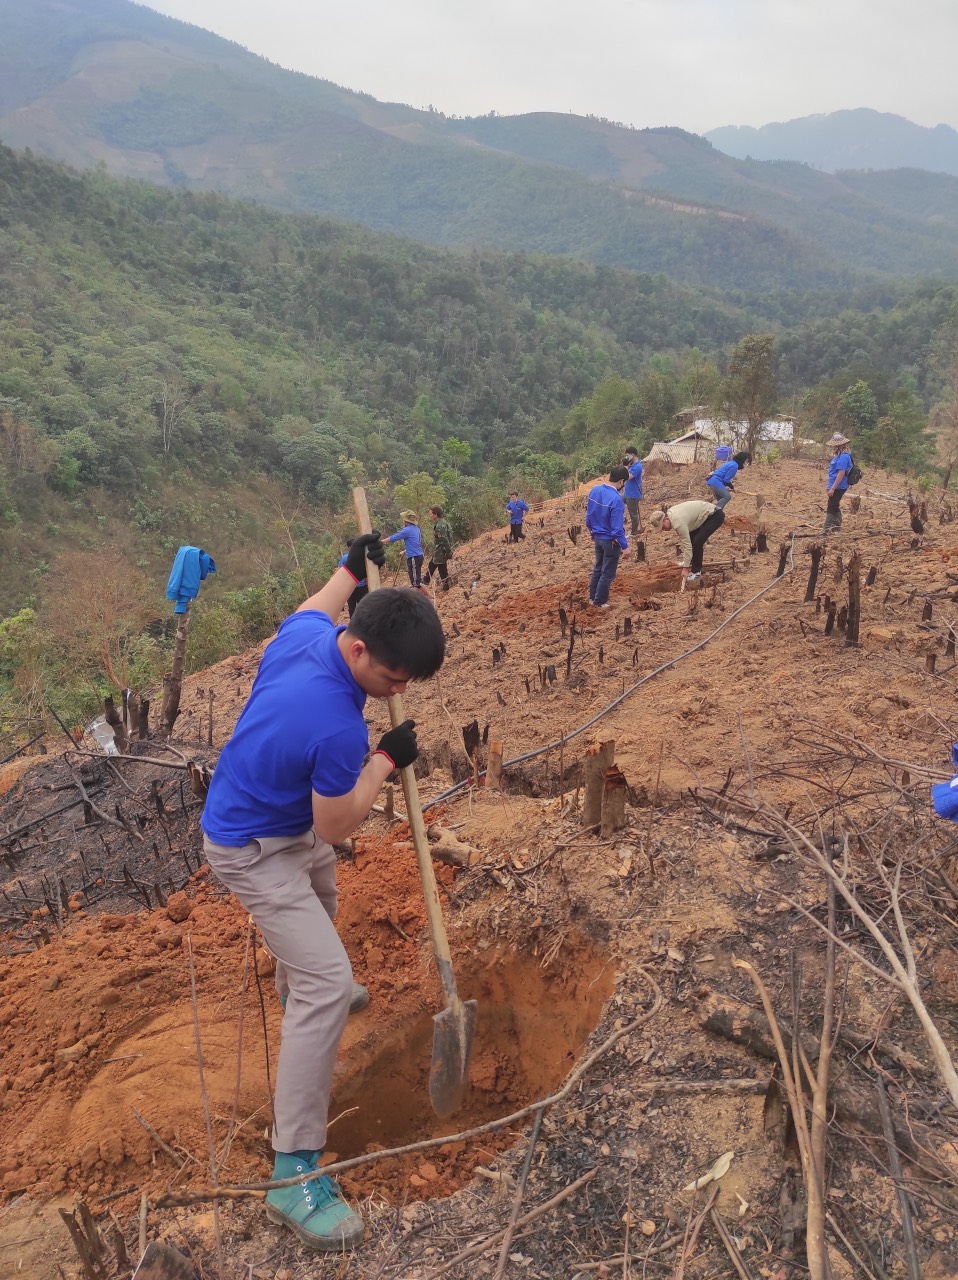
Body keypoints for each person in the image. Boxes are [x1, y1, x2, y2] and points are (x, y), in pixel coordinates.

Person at [200, 534, 446, 1252]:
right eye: (395, 679)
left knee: (323, 903)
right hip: (252, 846)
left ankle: (298, 985)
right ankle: (293, 1174)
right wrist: (383, 760)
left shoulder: (314, 632)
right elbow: (337, 819)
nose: (399, 691)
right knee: (328, 980)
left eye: (411, 683)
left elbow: (318, 601)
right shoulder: (336, 725)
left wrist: (349, 562)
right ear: (363, 653)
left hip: (275, 811)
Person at [649, 499, 725, 583]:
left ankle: (696, 572)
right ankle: (690, 562)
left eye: (663, 527)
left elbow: (687, 546)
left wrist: (685, 568)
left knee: (697, 542)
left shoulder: (678, 523)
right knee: (692, 538)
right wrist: (687, 563)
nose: (663, 530)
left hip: (714, 516)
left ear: (666, 518)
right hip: (700, 518)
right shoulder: (671, 513)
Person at [585, 465, 630, 608]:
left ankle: (592, 598)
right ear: (621, 481)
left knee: (598, 567)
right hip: (610, 541)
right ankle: (600, 601)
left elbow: (589, 516)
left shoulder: (595, 491)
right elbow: (617, 529)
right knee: (607, 572)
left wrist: (592, 532)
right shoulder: (616, 500)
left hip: (597, 537)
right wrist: (625, 546)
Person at [823, 432, 852, 534]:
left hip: (839, 486)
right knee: (834, 506)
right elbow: (833, 473)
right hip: (835, 485)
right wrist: (829, 486)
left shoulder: (844, 457)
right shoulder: (838, 456)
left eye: (835, 445)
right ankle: (837, 527)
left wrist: (833, 488)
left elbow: (841, 474)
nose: (833, 447)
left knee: (831, 507)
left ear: (840, 445)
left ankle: (825, 531)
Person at [387, 510, 425, 586]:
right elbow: (415, 544)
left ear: (406, 521)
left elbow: (394, 537)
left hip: (414, 557)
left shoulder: (407, 530)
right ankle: (419, 596)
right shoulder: (416, 529)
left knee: (416, 583)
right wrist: (404, 551)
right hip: (418, 556)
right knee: (415, 581)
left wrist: (380, 541)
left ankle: (429, 597)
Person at [422, 504, 454, 591]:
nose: (430, 516)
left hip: (441, 550)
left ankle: (425, 580)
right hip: (441, 550)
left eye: (431, 514)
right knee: (441, 568)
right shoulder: (444, 522)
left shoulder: (439, 526)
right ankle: (445, 586)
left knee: (433, 565)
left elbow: (445, 540)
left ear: (435, 514)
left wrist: (448, 552)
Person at [338, 539, 368, 618]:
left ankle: (353, 626)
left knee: (352, 608)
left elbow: (340, 572)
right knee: (364, 606)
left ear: (348, 547)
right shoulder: (363, 556)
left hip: (349, 587)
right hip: (362, 586)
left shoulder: (344, 559)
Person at [622, 447, 644, 536]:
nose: (627, 457)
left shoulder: (638, 466)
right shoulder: (632, 465)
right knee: (617, 502)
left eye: (627, 455)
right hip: (627, 493)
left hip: (633, 495)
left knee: (633, 515)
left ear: (632, 455)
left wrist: (626, 467)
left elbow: (628, 477)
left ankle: (634, 532)